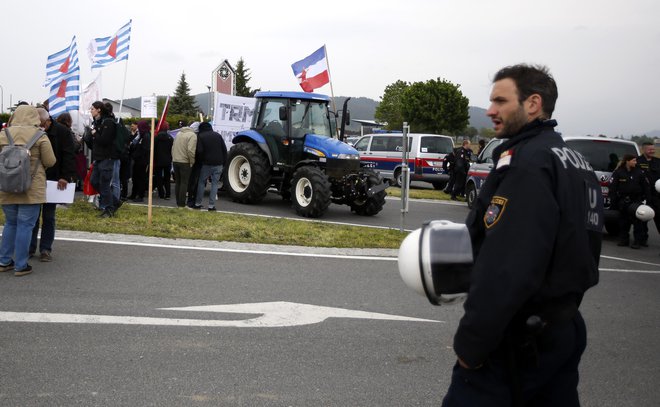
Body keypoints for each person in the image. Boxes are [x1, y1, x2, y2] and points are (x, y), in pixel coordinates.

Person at [442, 64, 602, 406]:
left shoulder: (527, 164)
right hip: (563, 328)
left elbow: (506, 269)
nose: (490, 110)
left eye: (500, 100)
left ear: (532, 104)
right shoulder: (576, 162)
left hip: (517, 341)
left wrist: (470, 347)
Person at [0, 105, 56, 276]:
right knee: (25, 225)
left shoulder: (4, 134)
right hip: (31, 187)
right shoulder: (40, 136)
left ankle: (4, 261)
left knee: (10, 223)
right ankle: (21, 265)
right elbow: (50, 161)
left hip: (7, 184)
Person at [29, 108, 77, 262]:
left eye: (42, 124)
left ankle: (45, 249)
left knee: (49, 216)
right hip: (35, 179)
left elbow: (69, 155)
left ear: (48, 120)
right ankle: (29, 248)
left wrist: (65, 176)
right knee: (33, 216)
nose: (40, 127)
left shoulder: (62, 132)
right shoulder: (32, 130)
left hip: (54, 179)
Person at [83, 101, 121, 218]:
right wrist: (88, 136)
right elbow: (95, 142)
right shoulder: (97, 122)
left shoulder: (108, 122)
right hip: (98, 157)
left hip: (107, 157)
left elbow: (105, 140)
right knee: (94, 181)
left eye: (93, 108)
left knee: (104, 184)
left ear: (99, 109)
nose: (91, 111)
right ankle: (115, 202)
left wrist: (94, 133)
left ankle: (109, 209)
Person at [610, 154, 651, 249]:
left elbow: (646, 187)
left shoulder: (640, 172)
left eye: (636, 160)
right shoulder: (618, 172)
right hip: (623, 201)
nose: (635, 162)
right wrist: (614, 201)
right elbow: (612, 188)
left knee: (638, 222)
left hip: (636, 201)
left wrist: (648, 201)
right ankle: (624, 240)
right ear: (627, 161)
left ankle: (637, 241)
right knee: (624, 222)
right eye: (633, 160)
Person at [193, 122, 227, 211]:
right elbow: (224, 150)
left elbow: (199, 151)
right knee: (215, 184)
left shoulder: (200, 136)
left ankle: (198, 203)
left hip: (206, 164)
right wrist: (224, 162)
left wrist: (200, 161)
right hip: (218, 164)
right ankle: (211, 206)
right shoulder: (218, 136)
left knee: (201, 182)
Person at [636, 142, 660, 242]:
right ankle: (642, 239)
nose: (652, 151)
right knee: (642, 217)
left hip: (657, 196)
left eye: (653, 149)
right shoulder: (637, 161)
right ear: (643, 150)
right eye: (650, 149)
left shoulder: (658, 162)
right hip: (643, 195)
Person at [171, 120, 198, 208]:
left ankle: (178, 202)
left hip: (176, 160)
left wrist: (174, 158)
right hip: (185, 162)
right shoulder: (192, 135)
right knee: (184, 183)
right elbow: (190, 150)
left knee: (178, 182)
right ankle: (182, 204)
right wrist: (192, 161)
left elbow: (173, 147)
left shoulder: (179, 133)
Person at [128, 120, 150, 202]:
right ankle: (134, 194)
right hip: (137, 160)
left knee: (141, 178)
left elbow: (144, 149)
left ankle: (140, 196)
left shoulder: (146, 136)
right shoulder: (141, 135)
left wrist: (136, 154)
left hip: (142, 161)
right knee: (135, 178)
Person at [153, 121, 174, 199]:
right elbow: (172, 149)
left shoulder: (156, 137)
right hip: (167, 160)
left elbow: (154, 149)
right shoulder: (170, 138)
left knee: (158, 178)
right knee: (167, 178)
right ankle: (168, 194)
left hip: (158, 160)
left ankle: (161, 193)